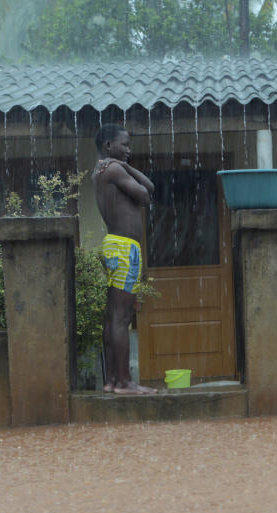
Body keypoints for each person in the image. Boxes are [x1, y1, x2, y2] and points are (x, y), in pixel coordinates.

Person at [93, 123, 158, 395]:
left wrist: (126, 164)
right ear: (108, 145)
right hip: (124, 248)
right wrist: (124, 166)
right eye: (124, 144)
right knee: (122, 318)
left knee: (113, 318)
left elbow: (149, 185)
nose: (129, 150)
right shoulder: (114, 169)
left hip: (114, 245)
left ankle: (111, 381)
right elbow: (145, 194)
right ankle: (124, 382)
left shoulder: (105, 169)